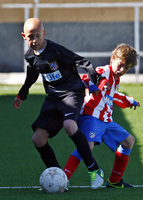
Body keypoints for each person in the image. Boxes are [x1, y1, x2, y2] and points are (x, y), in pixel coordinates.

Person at [13, 18, 107, 189]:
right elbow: (32, 74)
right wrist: (22, 94)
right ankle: (59, 177)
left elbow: (83, 62)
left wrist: (95, 80)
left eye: (38, 36)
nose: (35, 40)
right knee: (38, 139)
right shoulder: (30, 56)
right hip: (53, 98)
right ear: (23, 37)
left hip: (72, 92)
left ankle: (94, 169)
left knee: (70, 126)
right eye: (30, 37)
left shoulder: (56, 50)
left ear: (44, 34)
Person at [63, 43, 140, 188]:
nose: (122, 70)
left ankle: (115, 181)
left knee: (129, 141)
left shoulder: (115, 79)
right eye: (121, 65)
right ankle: (64, 178)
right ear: (113, 58)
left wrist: (130, 101)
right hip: (91, 117)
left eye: (127, 68)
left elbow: (112, 95)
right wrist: (93, 86)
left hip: (105, 120)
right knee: (87, 146)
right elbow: (85, 78)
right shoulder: (103, 71)